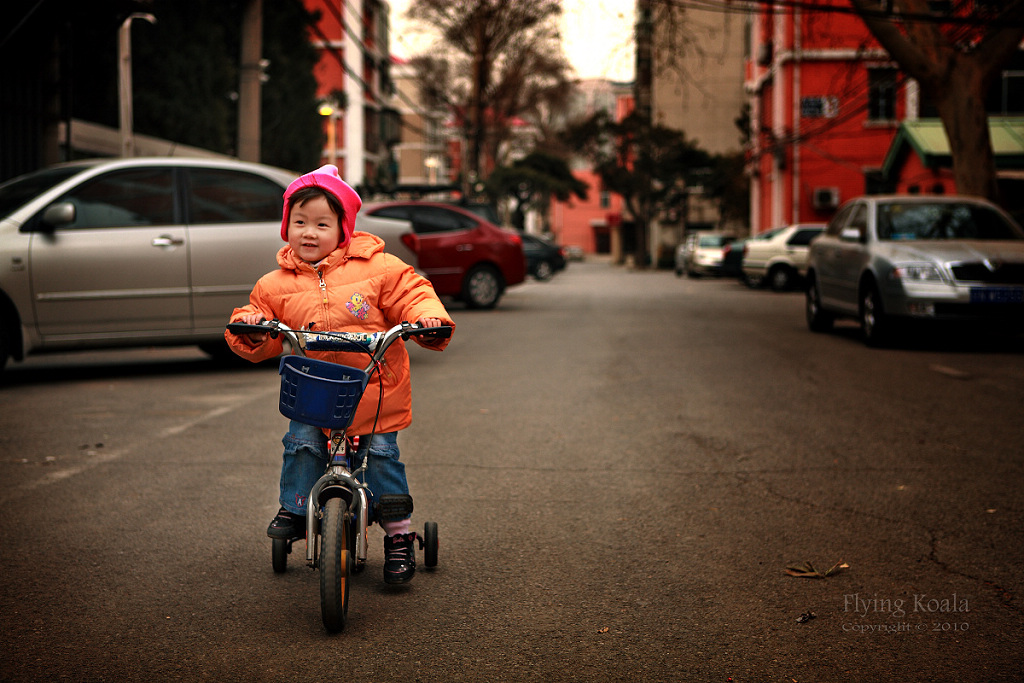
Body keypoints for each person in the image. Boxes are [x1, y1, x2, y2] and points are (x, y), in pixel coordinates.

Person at [225, 164, 454, 584]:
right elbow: (264, 327)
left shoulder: (380, 268)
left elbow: (414, 294)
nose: (309, 232)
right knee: (301, 443)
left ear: (343, 229)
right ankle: (295, 507)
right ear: (286, 227)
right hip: (313, 393)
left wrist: (425, 319)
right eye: (299, 222)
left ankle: (398, 535)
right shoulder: (274, 284)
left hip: (375, 388)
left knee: (383, 457)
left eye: (321, 224)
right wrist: (252, 326)